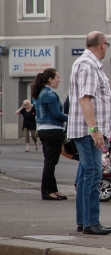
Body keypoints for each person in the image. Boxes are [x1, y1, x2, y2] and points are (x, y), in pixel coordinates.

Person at [67, 32, 111, 235]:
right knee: (93, 174)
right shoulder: (88, 65)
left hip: (85, 129)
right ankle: (90, 222)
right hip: (88, 131)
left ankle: (84, 220)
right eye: (107, 45)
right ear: (102, 45)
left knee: (86, 175)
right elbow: (86, 99)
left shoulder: (85, 63)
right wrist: (95, 130)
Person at [34, 69, 68, 200]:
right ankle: (47, 191)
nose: (59, 80)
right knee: (50, 162)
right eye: (57, 77)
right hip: (53, 131)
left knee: (49, 161)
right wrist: (75, 120)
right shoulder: (49, 94)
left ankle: (53, 189)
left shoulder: (40, 93)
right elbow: (57, 114)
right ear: (50, 79)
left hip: (43, 130)